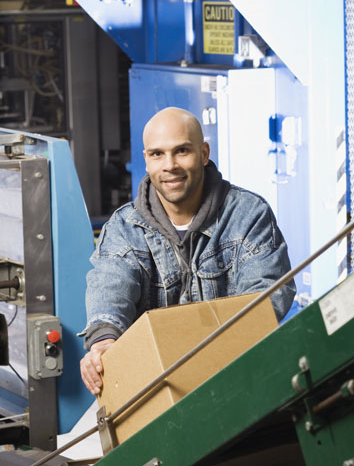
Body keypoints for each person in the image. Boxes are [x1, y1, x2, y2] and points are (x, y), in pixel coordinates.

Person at [79, 107, 295, 395]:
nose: (169, 165)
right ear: (146, 160)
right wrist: (104, 343)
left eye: (181, 151)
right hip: (154, 389)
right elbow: (110, 288)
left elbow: (265, 300)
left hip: (236, 381)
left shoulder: (248, 215)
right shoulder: (124, 228)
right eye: (157, 154)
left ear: (204, 153)